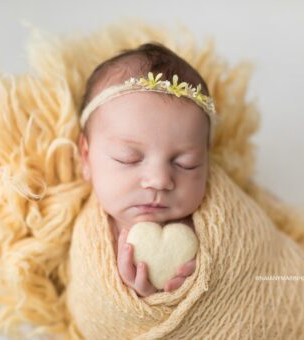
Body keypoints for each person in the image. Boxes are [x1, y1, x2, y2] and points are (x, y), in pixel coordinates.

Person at [76, 42, 217, 297]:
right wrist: (142, 302)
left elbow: (247, 264)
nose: (160, 180)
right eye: (128, 158)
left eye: (185, 163)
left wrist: (209, 280)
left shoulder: (215, 225)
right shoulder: (87, 235)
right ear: (86, 158)